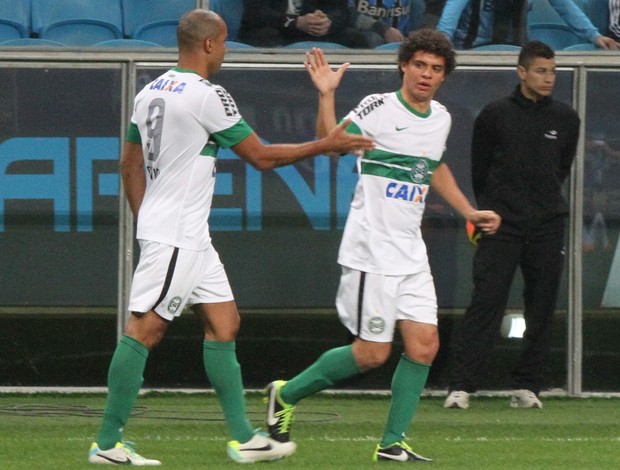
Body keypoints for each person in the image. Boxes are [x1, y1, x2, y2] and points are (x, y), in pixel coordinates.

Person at [87, 8, 374, 466]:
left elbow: (128, 164)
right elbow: (260, 157)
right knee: (145, 329)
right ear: (208, 45)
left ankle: (244, 438)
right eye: (221, 44)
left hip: (184, 233)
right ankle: (106, 444)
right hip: (177, 233)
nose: (223, 52)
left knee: (224, 323)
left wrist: (148, 221)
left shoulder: (149, 91)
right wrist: (325, 144)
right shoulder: (206, 95)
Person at [264, 30, 502, 463]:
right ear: (404, 67)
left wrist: (468, 210)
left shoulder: (442, 119)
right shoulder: (378, 107)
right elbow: (329, 144)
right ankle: (286, 394)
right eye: (420, 65)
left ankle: (392, 443)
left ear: (443, 76)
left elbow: (432, 169)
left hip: (410, 251)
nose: (426, 75)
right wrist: (326, 96)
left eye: (436, 69)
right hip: (370, 249)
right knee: (371, 354)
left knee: (424, 345)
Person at [444, 40, 580, 410]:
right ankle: (462, 387)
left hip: (548, 225)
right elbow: (479, 171)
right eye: (541, 71)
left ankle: (527, 386)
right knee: (486, 302)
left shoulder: (567, 119)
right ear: (521, 72)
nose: (549, 78)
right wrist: (493, 210)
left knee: (541, 307)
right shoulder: (494, 114)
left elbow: (560, 169)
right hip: (500, 224)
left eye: (552, 71)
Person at [436, 0, 620, 50]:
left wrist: (594, 36)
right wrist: (442, 40)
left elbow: (565, 6)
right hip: (473, 53)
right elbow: (451, 13)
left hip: (517, 52)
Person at [238, 0, 362, 47]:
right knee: (267, 36)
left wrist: (328, 21)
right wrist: (295, 22)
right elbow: (256, 14)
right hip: (273, 31)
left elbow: (342, 11)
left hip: (311, 32)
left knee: (357, 39)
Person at [347, 0, 427, 44]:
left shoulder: (416, 3)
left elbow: (414, 30)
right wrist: (384, 29)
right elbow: (348, 14)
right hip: (362, 42)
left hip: (400, 42)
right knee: (374, 39)